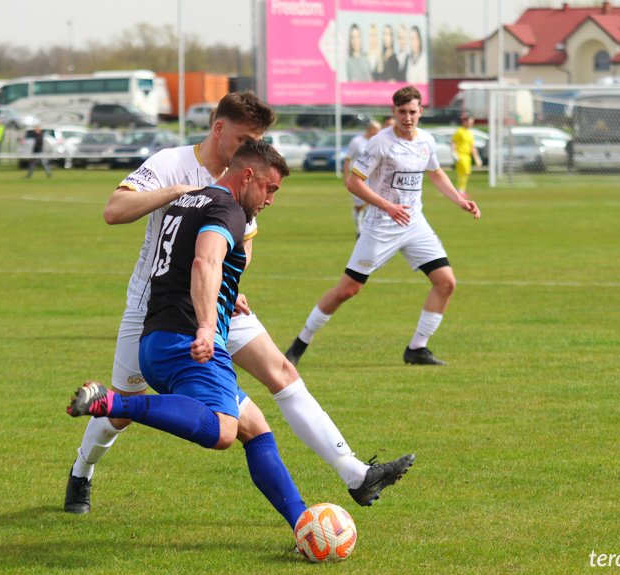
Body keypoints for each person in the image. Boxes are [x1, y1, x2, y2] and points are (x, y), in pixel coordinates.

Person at [64, 91, 413, 516]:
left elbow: (236, 250)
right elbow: (114, 210)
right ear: (219, 128)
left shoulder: (248, 179)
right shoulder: (172, 163)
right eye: (245, 136)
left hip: (216, 300)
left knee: (281, 372)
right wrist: (176, 191)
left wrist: (228, 284)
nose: (252, 145)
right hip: (154, 307)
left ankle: (354, 473)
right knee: (121, 415)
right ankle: (82, 469)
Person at [68, 140, 311, 532]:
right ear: (247, 175)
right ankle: (115, 403)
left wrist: (225, 292)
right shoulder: (228, 209)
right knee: (223, 431)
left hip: (155, 339)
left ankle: (303, 522)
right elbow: (205, 261)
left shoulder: (190, 201)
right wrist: (205, 325)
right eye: (270, 188)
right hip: (187, 341)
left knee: (255, 427)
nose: (270, 200)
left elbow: (185, 265)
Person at [285, 86, 481, 367]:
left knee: (446, 282)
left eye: (412, 111)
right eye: (402, 112)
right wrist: (387, 206)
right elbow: (354, 182)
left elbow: (436, 173)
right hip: (381, 226)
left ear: (420, 112)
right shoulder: (379, 142)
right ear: (393, 112)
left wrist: (459, 200)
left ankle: (417, 348)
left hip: (415, 224)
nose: (407, 117)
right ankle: (300, 343)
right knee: (347, 290)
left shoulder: (426, 141)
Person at [343, 120, 381, 237]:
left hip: (372, 178)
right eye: (378, 131)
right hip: (358, 178)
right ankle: (358, 228)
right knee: (359, 205)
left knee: (371, 203)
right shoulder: (357, 142)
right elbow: (347, 159)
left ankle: (366, 229)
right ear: (372, 130)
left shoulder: (377, 142)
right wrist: (346, 177)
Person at [451, 115, 482, 199]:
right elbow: (453, 142)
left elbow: (472, 146)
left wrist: (476, 157)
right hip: (460, 155)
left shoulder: (470, 133)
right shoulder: (459, 131)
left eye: (472, 123)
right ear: (464, 122)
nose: (470, 124)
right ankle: (459, 190)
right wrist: (454, 153)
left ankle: (462, 190)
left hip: (467, 156)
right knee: (464, 172)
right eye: (469, 122)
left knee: (466, 173)